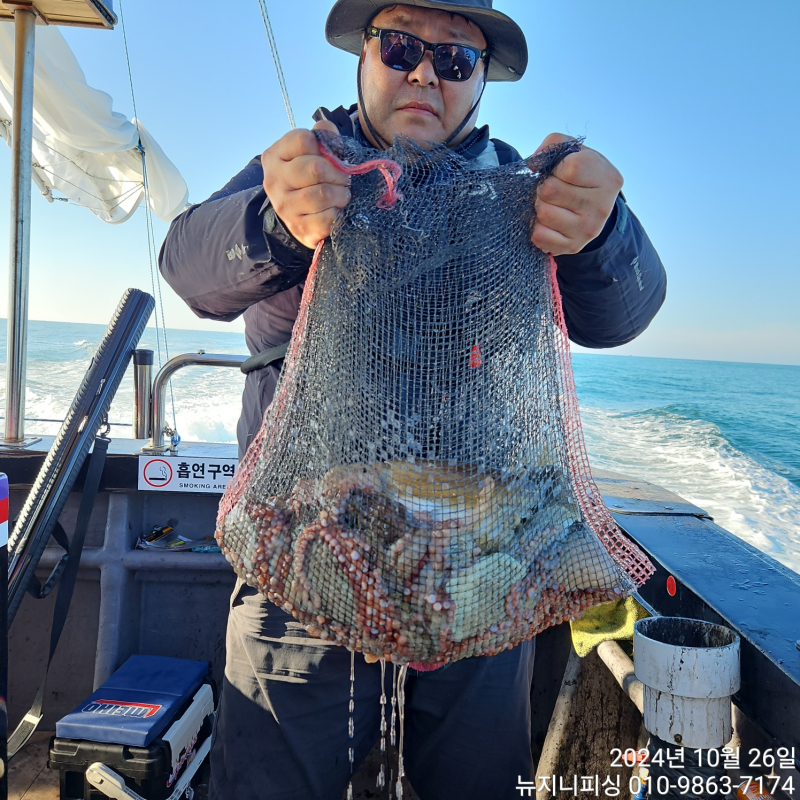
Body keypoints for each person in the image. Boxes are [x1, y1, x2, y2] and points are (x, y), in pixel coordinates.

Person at [159, 2, 666, 798]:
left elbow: (624, 313)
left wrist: (604, 233)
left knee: (474, 781)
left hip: (481, 572)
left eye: (456, 59)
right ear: (363, 58)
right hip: (305, 557)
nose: (425, 71)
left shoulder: (524, 191)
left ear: (480, 82)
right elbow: (188, 264)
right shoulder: (303, 167)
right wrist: (277, 221)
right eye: (400, 47)